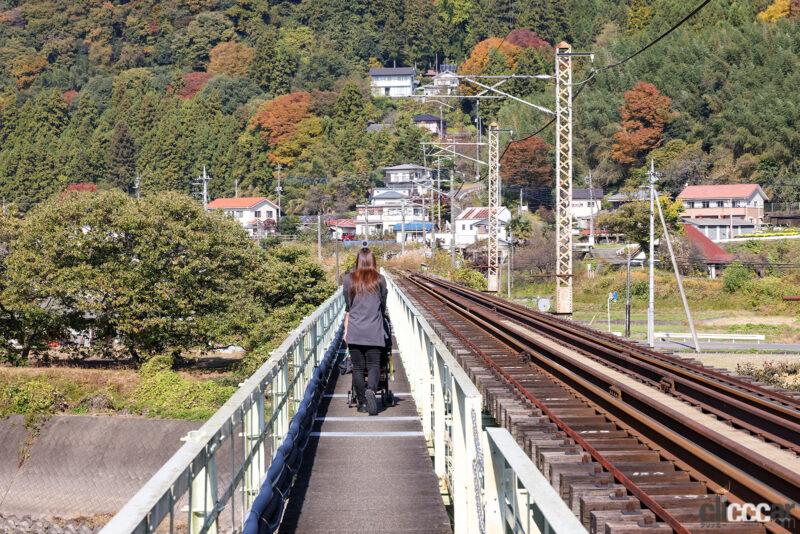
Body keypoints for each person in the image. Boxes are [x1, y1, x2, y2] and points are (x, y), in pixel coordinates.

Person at [343, 247, 389, 415]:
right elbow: (383, 305)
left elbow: (347, 306)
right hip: (374, 331)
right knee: (374, 365)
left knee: (357, 367)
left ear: (358, 261)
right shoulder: (380, 280)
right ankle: (371, 389)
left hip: (355, 331)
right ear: (373, 261)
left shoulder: (348, 280)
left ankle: (362, 403)